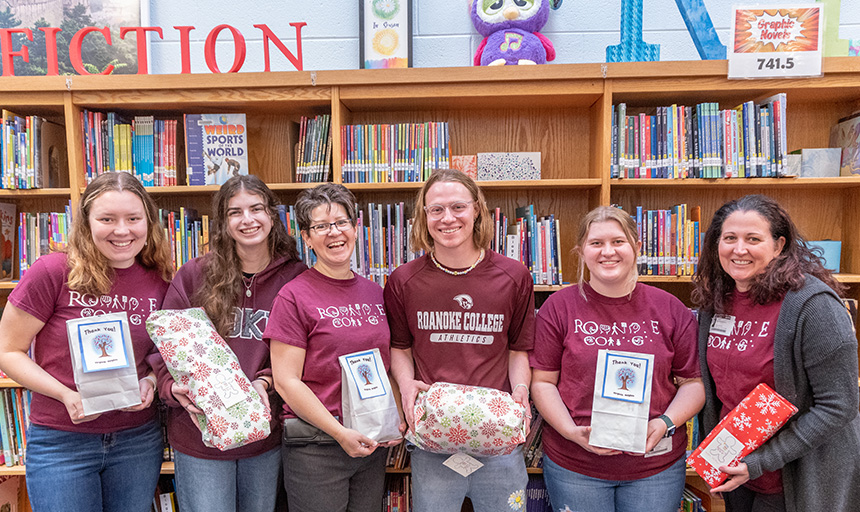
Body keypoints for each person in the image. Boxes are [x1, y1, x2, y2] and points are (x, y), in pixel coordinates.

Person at [0, 172, 174, 512]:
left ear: (148, 223)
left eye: (133, 219)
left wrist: (151, 381)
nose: (122, 231)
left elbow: (164, 352)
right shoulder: (52, 272)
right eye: (107, 219)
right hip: (62, 440)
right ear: (86, 222)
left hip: (136, 439)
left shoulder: (161, 278)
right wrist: (66, 395)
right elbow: (8, 351)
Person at [692, 194, 860, 512]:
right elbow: (721, 390)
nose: (738, 249)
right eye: (729, 238)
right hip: (739, 471)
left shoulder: (813, 305)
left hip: (797, 477)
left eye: (753, 238)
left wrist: (761, 461)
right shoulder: (715, 302)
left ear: (779, 245)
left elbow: (839, 406)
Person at [530, 205, 704, 512]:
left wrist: (665, 423)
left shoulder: (671, 309)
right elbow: (543, 382)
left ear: (636, 247)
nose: (607, 252)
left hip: (655, 467)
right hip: (575, 464)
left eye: (618, 241)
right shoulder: (558, 308)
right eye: (596, 243)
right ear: (581, 251)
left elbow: (693, 383)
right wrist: (572, 432)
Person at [147, 175, 305, 512]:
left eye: (256, 209)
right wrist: (171, 387)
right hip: (200, 435)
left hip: (265, 434)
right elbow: (162, 345)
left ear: (272, 215)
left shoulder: (296, 278)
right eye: (236, 212)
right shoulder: (193, 275)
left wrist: (267, 382)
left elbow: (308, 353)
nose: (247, 220)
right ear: (223, 222)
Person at [384, 169, 534, 512]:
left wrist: (522, 391)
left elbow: (518, 349)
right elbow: (400, 348)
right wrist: (406, 386)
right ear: (424, 215)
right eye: (436, 209)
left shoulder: (514, 276)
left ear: (477, 209)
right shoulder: (403, 281)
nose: (447, 218)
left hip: (497, 437)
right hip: (433, 438)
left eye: (457, 207)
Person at [265, 183, 397, 512]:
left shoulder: (374, 292)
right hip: (318, 447)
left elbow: (386, 364)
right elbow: (286, 381)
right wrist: (339, 433)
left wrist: (395, 419)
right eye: (321, 226)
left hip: (370, 441)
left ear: (355, 228)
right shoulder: (294, 296)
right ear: (306, 238)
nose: (334, 233)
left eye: (341, 222)